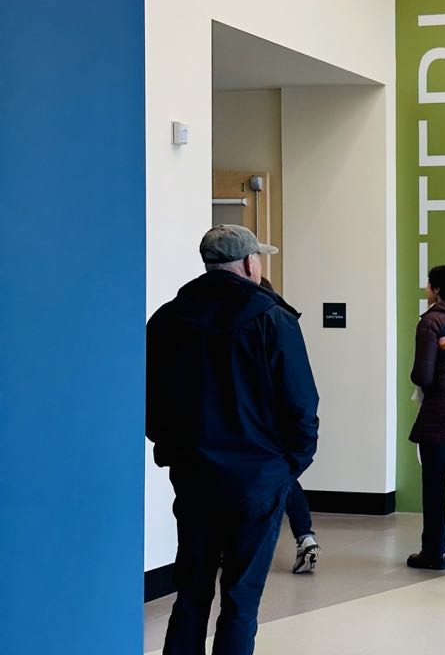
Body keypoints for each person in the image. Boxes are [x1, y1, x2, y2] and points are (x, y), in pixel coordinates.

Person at [146, 225, 320, 655]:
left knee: (191, 592)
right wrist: (289, 466)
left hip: (193, 473)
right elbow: (301, 404)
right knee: (241, 599)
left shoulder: (167, 319)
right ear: (249, 263)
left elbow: (148, 399)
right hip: (258, 478)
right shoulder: (273, 319)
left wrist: (172, 448)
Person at [406, 262, 445, 571]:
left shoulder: (432, 322)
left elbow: (423, 375)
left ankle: (434, 551)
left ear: (437, 290)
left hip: (439, 414)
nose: (425, 289)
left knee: (434, 487)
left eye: (428, 285)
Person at [261, 276, 320, 576]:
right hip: (282, 425)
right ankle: (305, 535)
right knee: (287, 479)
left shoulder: (264, 321)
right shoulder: (284, 321)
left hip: (257, 429)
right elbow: (301, 393)